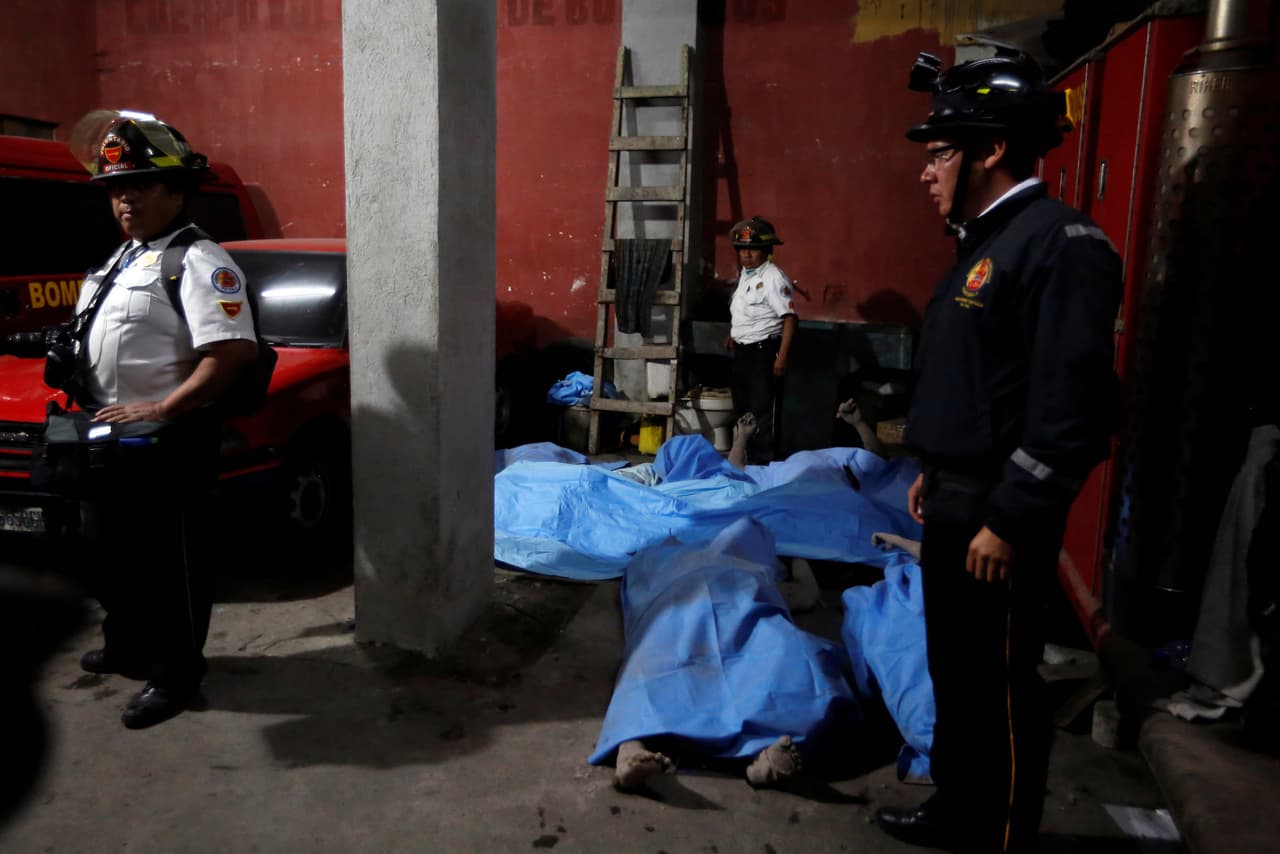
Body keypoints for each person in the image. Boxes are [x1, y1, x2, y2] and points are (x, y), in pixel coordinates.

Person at [873, 50, 1122, 852]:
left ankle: (1002, 834)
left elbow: (1071, 407)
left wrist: (1011, 518)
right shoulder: (988, 243)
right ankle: (957, 806)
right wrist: (930, 471)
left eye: (940, 152)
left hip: (996, 517)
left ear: (992, 150)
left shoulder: (1059, 245)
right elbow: (982, 382)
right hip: (955, 497)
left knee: (1001, 684)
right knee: (956, 670)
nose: (926, 173)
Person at [65, 111, 258, 729]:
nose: (125, 199)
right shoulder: (123, 258)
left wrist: (164, 407)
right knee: (109, 554)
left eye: (140, 185)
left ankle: (176, 674)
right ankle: (125, 644)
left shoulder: (199, 259)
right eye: (117, 189)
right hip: (109, 436)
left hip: (168, 441)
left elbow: (231, 352)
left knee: (170, 565)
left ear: (176, 192)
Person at [722, 216, 797, 464]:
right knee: (741, 406)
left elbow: (789, 318)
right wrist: (734, 334)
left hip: (764, 352)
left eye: (752, 249)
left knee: (761, 410)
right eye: (742, 249)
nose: (746, 255)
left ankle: (762, 463)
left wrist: (782, 357)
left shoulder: (774, 278)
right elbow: (747, 312)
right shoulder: (746, 274)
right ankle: (742, 457)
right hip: (743, 351)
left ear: (766, 251)